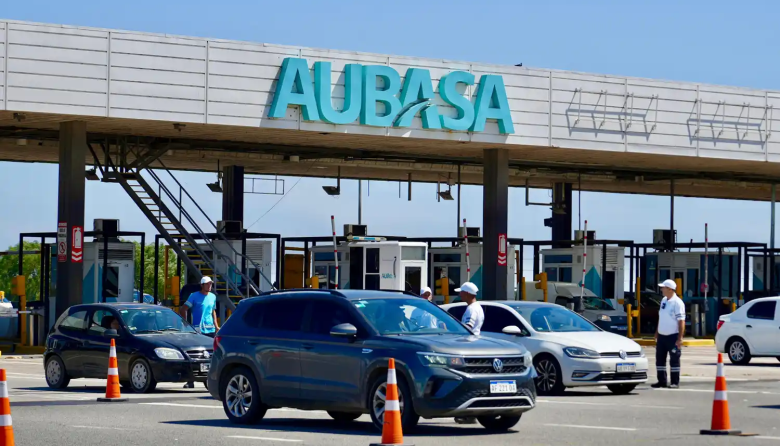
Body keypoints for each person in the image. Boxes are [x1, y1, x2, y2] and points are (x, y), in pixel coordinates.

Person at [179, 276, 220, 389]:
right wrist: (186, 325)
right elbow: (183, 309)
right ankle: (190, 380)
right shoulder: (194, 296)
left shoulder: (212, 297)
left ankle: (209, 380)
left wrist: (216, 326)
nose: (209, 286)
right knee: (195, 355)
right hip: (198, 330)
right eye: (207, 284)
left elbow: (213, 312)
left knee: (210, 355)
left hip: (210, 330)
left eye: (210, 284)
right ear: (202, 285)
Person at [454, 281, 482, 425]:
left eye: (461, 292)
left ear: (467, 294)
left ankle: (467, 413)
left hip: (469, 345)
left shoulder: (471, 309)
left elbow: (467, 328)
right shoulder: (477, 307)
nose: (459, 294)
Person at [652, 279, 686, 389]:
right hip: (662, 336)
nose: (661, 289)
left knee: (674, 360)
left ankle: (674, 382)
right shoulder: (664, 300)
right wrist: (657, 332)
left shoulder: (678, 303)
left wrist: (680, 338)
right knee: (660, 359)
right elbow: (661, 317)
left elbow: (681, 321)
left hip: (673, 336)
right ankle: (661, 381)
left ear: (670, 289)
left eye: (663, 287)